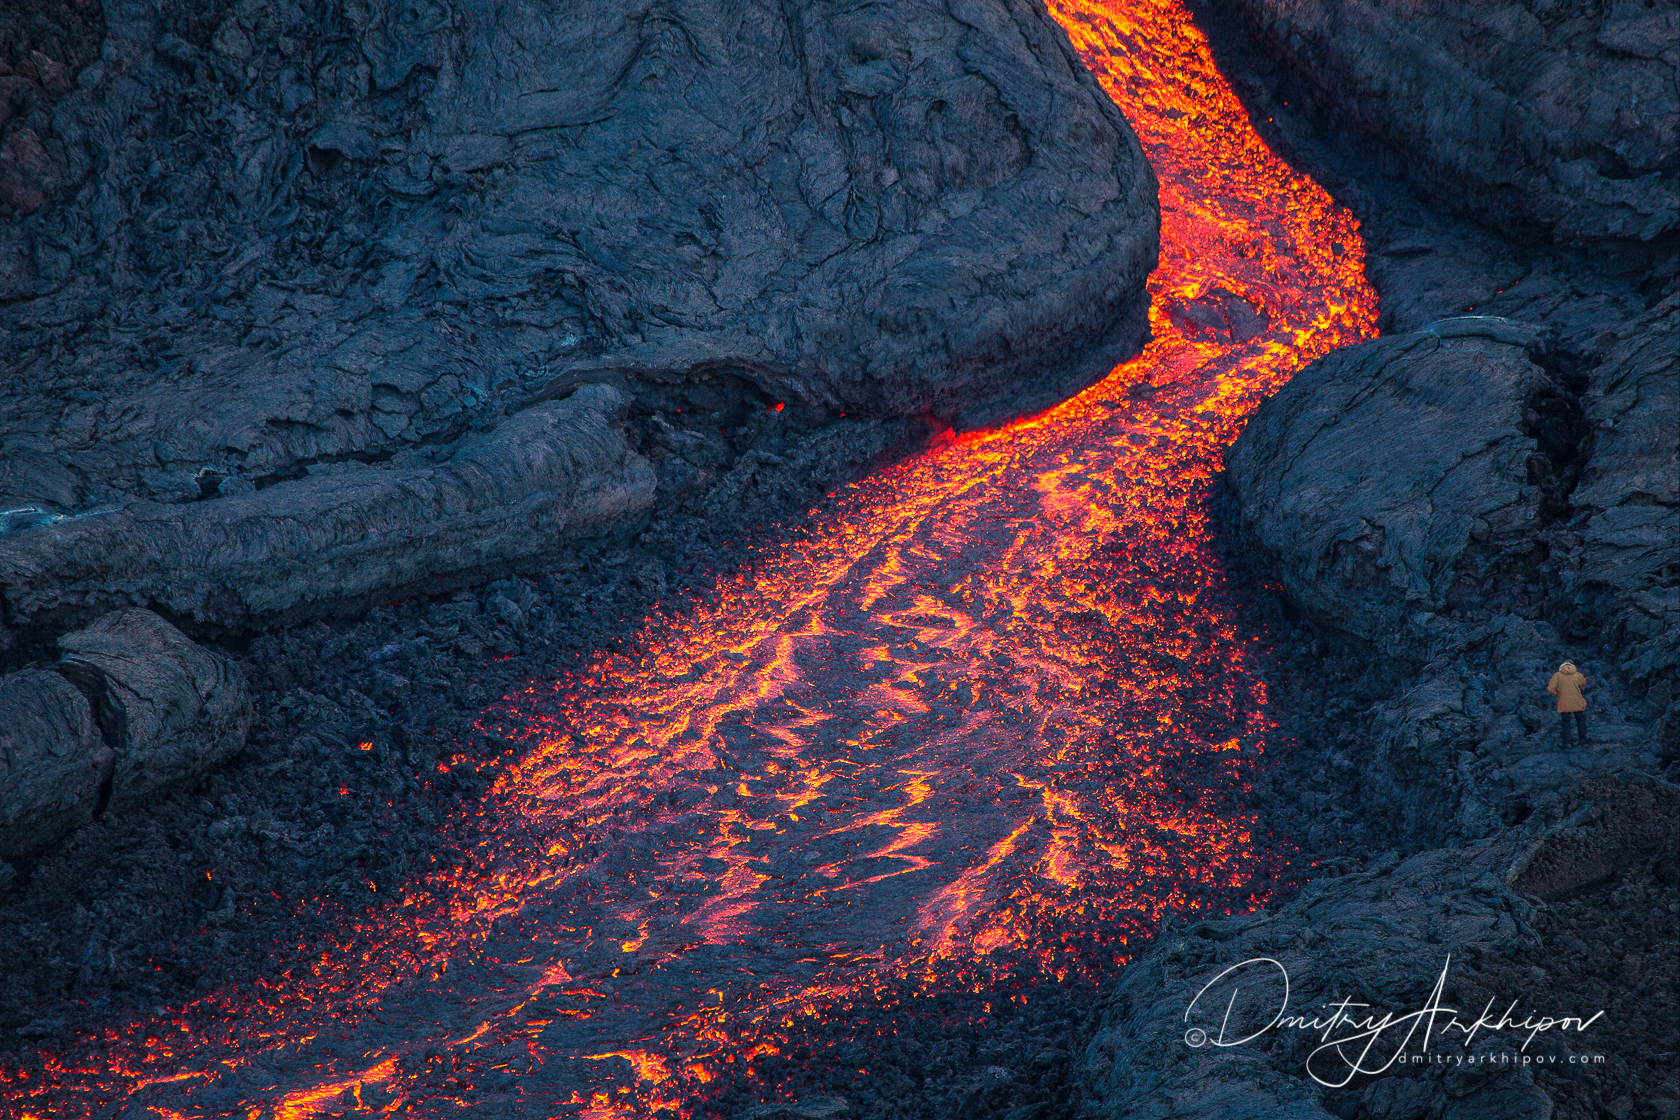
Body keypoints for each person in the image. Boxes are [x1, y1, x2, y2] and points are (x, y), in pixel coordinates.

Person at [1547, 660, 1589, 746]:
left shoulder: (1557, 676)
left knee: (1566, 722)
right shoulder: (1577, 674)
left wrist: (1557, 694)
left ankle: (1567, 742)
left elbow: (1551, 688)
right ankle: (1582, 739)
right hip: (1577, 701)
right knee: (1580, 720)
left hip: (1564, 702)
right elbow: (1583, 683)